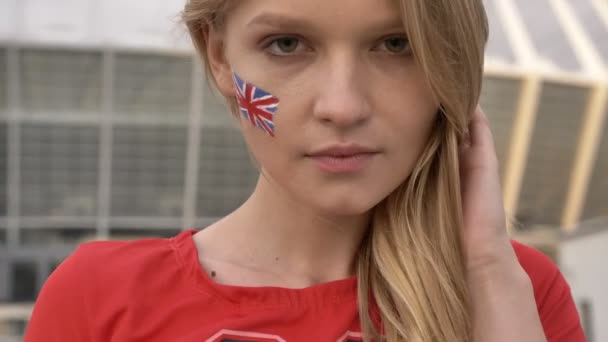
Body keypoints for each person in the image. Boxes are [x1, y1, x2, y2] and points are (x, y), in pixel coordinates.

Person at [25, 0, 586, 341]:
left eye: (397, 44)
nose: (342, 106)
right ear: (219, 57)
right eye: (287, 44)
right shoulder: (101, 298)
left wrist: (488, 269)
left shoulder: (517, 291)